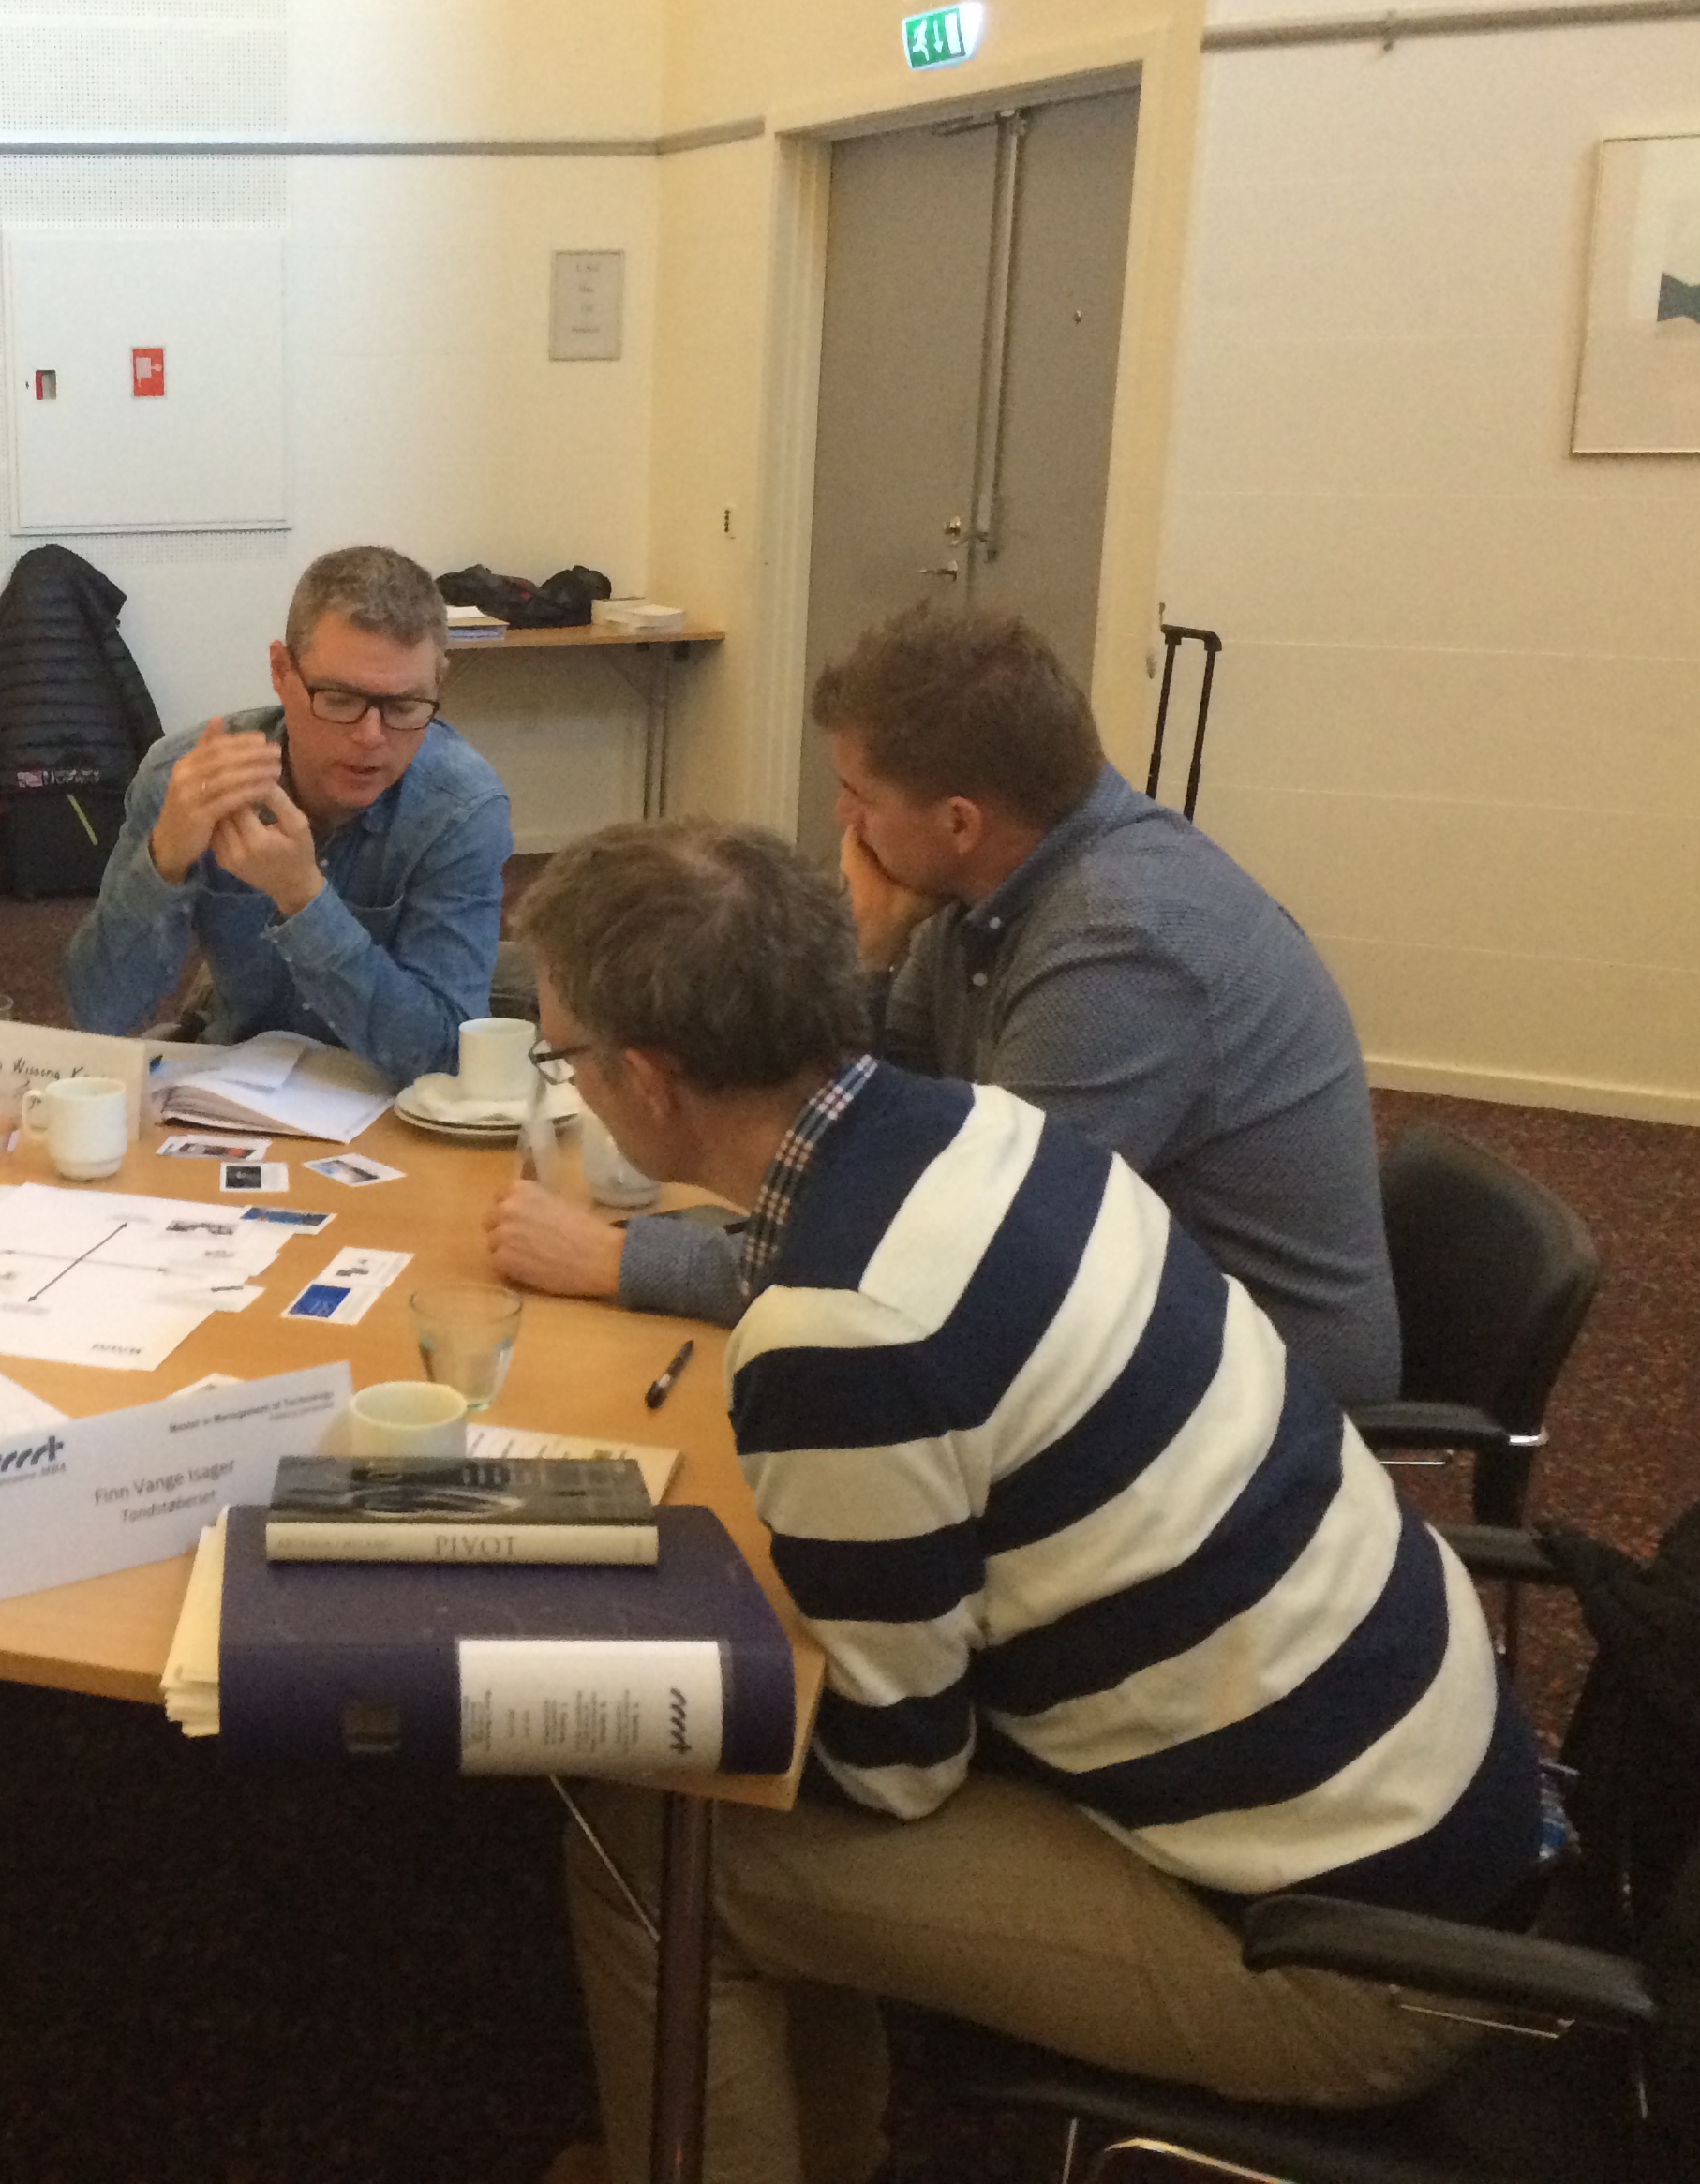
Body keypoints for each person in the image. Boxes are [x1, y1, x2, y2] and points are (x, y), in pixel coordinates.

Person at [514, 821, 1541, 2184]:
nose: (574, 1088)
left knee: (658, 1850)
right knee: (748, 1752)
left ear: (646, 1080)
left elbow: (897, 1771)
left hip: (1352, 1964)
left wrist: (602, 1683)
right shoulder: (984, 1130)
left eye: (567, 1059)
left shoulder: (846, 1327)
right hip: (1439, 1807)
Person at [490, 603, 1402, 1407]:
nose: (842, 821)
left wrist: (623, 1260)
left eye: (858, 795)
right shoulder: (981, 889)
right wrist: (871, 954)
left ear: (959, 821)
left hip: (1244, 1389)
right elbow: (864, 1131)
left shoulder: (1119, 948)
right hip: (1094, 1309)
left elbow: (957, 1251)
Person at [62, 545, 513, 1088]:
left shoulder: (460, 808)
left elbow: (445, 1056)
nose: (371, 737)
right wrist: (163, 864)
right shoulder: (189, 779)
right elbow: (97, 1016)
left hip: (388, 1099)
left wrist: (303, 898)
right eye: (339, 699)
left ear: (438, 683)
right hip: (237, 1081)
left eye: (403, 707)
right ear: (281, 671)